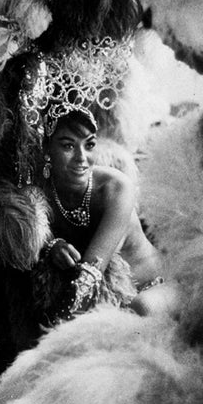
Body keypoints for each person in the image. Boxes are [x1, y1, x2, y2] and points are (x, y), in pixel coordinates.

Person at [40, 109, 163, 319]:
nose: (82, 158)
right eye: (68, 145)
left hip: (149, 290)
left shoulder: (116, 187)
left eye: (89, 145)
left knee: (141, 309)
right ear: (47, 149)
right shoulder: (40, 190)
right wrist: (51, 246)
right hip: (98, 300)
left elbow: (88, 279)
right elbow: (24, 241)